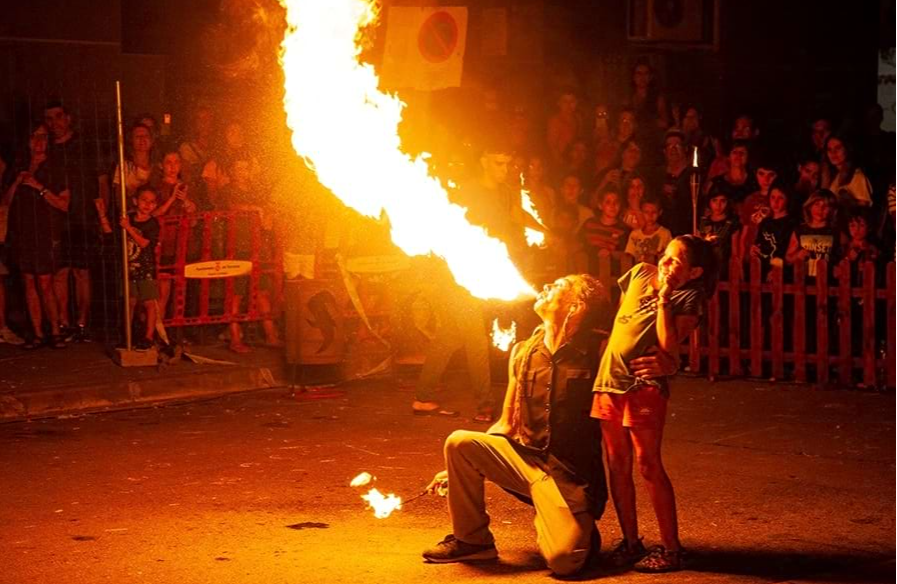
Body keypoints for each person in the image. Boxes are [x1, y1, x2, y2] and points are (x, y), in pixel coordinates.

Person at [422, 274, 678, 575]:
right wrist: (462, 466)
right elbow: (507, 423)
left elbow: (648, 359)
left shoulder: (600, 350)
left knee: (564, 562)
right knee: (460, 443)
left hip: (570, 481)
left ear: (576, 307)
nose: (544, 287)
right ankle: (473, 541)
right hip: (528, 464)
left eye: (556, 286)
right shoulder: (522, 351)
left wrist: (668, 364)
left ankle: (571, 527)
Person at [592, 235, 718, 573]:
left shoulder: (690, 296)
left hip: (642, 385)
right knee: (617, 465)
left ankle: (672, 549)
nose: (666, 263)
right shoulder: (638, 274)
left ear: (695, 272)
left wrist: (664, 298)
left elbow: (668, 345)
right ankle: (631, 542)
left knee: (648, 464)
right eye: (667, 255)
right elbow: (623, 319)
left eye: (677, 261)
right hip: (609, 381)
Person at [45, 100, 108, 343]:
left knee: (82, 272)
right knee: (60, 272)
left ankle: (82, 323)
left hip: (84, 218)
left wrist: (101, 214)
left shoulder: (85, 145)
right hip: (56, 219)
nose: (54, 123)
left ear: (68, 118)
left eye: (58, 117)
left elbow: (102, 180)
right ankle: (63, 322)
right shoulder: (47, 147)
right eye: (49, 119)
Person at [3, 123, 69, 349]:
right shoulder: (19, 167)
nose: (38, 142)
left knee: (45, 283)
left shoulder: (54, 167)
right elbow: (6, 202)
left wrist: (38, 186)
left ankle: (55, 330)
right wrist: (18, 182)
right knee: (29, 281)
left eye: (42, 137)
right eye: (34, 137)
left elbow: (63, 204)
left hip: (45, 233)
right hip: (23, 233)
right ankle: (38, 333)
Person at [120, 186, 161, 351]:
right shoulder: (128, 217)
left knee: (149, 303)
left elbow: (144, 243)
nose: (147, 204)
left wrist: (128, 228)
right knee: (130, 302)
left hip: (146, 268)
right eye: (144, 200)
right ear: (136, 201)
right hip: (128, 267)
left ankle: (148, 336)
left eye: (152, 202)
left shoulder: (152, 224)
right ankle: (127, 334)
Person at [786, 189, 840, 278]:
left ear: (832, 210)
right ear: (809, 206)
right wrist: (797, 256)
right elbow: (788, 259)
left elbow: (845, 258)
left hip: (828, 281)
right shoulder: (800, 230)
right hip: (803, 281)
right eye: (817, 204)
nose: (820, 209)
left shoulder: (836, 232)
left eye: (825, 206)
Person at [749, 181, 795, 277]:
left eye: (780, 198)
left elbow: (789, 252)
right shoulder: (765, 222)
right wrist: (753, 250)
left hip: (782, 273)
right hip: (762, 272)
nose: (775, 202)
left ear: (787, 199)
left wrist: (778, 270)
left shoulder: (792, 223)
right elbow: (758, 245)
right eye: (773, 197)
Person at [655, 130, 695, 237]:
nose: (673, 148)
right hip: (662, 235)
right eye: (669, 145)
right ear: (664, 150)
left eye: (677, 145)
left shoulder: (694, 175)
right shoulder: (657, 176)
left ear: (685, 148)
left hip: (688, 233)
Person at [824, 134, 873, 209]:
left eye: (838, 148)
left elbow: (863, 208)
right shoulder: (833, 176)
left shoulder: (857, 176)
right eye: (829, 149)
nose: (833, 153)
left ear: (847, 149)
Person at [625, 197, 672, 264]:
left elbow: (669, 256)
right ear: (641, 212)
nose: (650, 216)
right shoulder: (635, 234)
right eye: (646, 212)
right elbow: (629, 255)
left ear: (660, 212)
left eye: (654, 212)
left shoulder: (665, 233)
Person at [546, 90, 581, 166]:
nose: (568, 105)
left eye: (572, 101)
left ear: (577, 103)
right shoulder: (555, 121)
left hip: (576, 161)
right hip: (561, 162)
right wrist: (561, 163)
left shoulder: (578, 118)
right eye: (565, 101)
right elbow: (552, 146)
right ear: (559, 103)